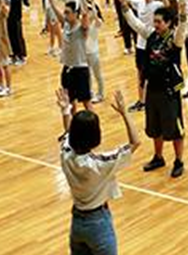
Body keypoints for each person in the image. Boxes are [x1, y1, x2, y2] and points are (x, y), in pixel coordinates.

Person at [57, 89, 140, 255]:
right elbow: (135, 142)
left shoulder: (65, 154)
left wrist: (66, 111)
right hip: (98, 224)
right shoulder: (100, 165)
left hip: (77, 222)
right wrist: (125, 113)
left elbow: (67, 135)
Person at [118, 0, 187, 178]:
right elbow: (135, 24)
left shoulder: (174, 40)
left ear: (168, 23)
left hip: (169, 90)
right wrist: (124, 6)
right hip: (152, 89)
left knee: (174, 129)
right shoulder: (151, 36)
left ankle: (179, 160)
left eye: (159, 22)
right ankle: (158, 156)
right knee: (154, 127)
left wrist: (182, 14)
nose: (155, 25)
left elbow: (182, 29)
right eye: (154, 21)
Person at [44, 0, 93, 112]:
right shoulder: (65, 24)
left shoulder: (82, 28)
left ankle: (93, 128)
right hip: (67, 68)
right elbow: (53, 6)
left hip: (80, 69)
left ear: (75, 14)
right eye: (64, 12)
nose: (64, 15)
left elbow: (85, 13)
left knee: (86, 102)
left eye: (67, 13)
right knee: (69, 102)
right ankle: (72, 130)